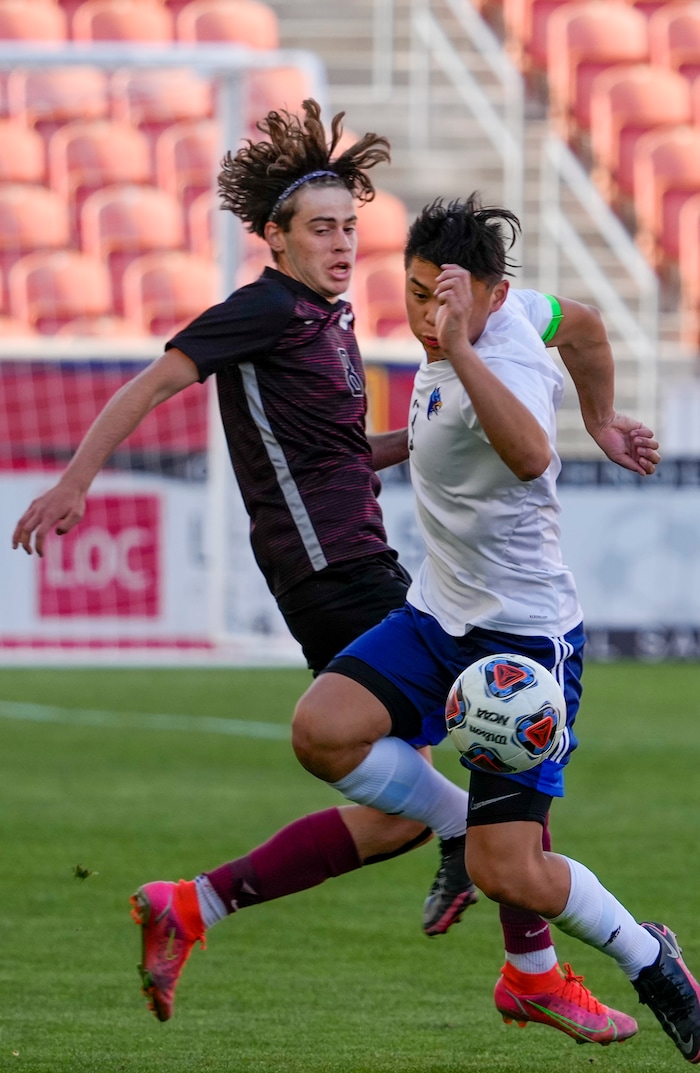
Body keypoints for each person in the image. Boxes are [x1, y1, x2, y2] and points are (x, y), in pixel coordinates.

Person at [11, 103, 659, 1032]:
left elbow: (345, 450)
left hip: (359, 556)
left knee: (445, 777)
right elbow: (155, 380)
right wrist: (77, 479)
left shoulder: (327, 315)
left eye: (352, 227)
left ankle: (194, 904)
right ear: (274, 239)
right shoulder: (265, 310)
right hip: (333, 571)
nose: (344, 244)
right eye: (321, 229)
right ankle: (533, 966)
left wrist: (424, 438)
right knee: (500, 737)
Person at [284, 195, 700, 1063]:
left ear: (488, 295)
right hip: (439, 616)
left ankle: (647, 955)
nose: (425, 313)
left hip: (522, 642)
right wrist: (602, 414)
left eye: (442, 297)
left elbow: (526, 455)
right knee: (322, 730)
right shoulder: (520, 312)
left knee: (506, 870)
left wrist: (471, 350)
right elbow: (581, 325)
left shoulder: (488, 356)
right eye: (414, 291)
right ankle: (451, 821)